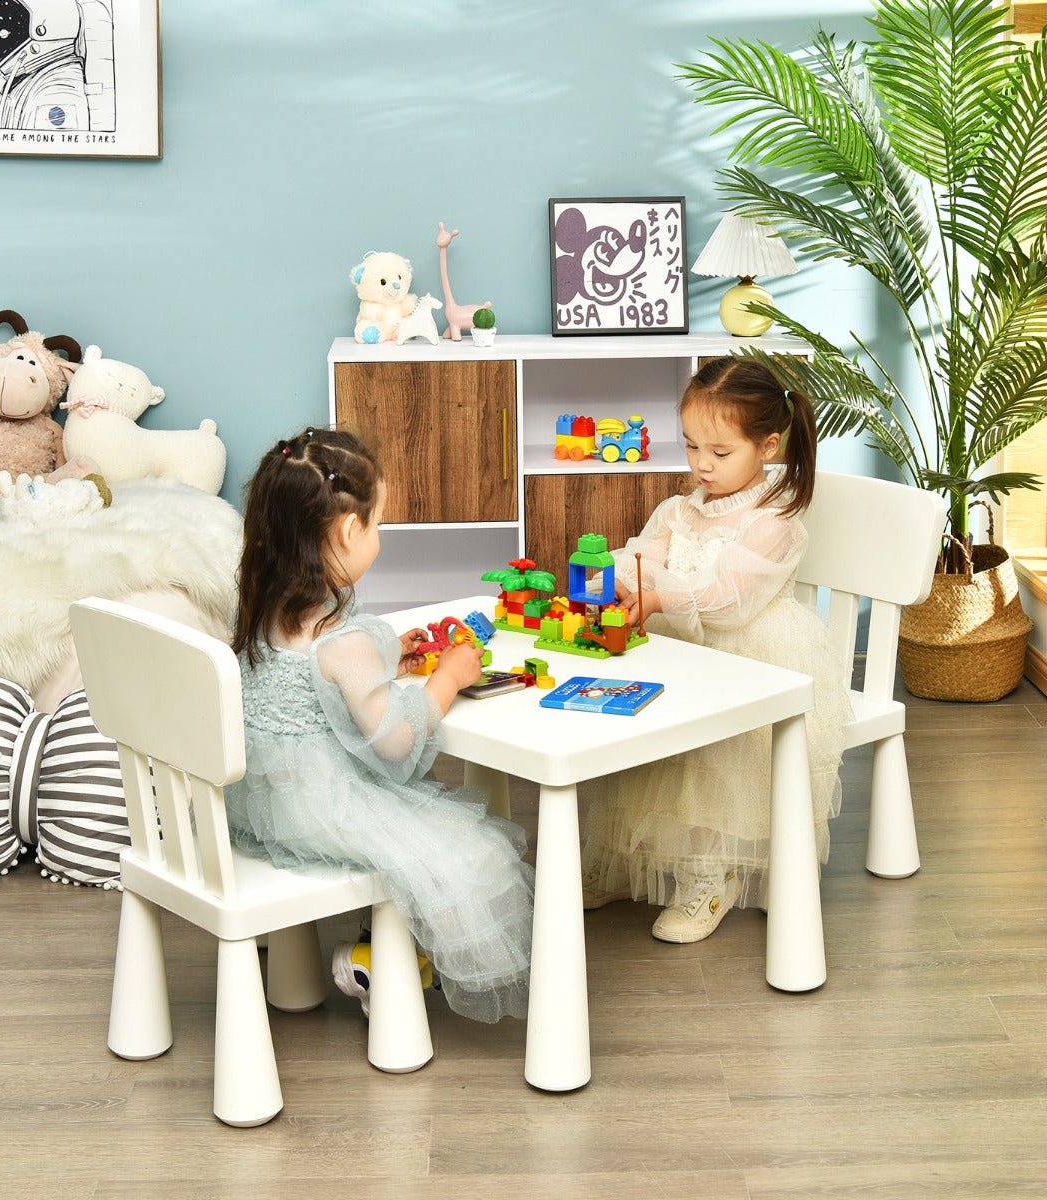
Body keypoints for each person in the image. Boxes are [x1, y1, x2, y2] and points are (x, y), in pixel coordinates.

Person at [224, 427, 533, 1022]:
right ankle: (379, 965)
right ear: (347, 531)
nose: (379, 536)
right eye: (378, 524)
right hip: (320, 808)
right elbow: (394, 741)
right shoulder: (341, 638)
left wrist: (391, 658)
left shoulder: (262, 602)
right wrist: (448, 679)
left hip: (257, 798)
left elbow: (318, 680)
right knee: (476, 856)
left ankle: (323, 973)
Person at [581, 357, 850, 942]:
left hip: (748, 660)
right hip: (684, 652)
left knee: (712, 768)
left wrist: (658, 595)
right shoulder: (680, 511)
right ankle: (626, 860)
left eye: (720, 452)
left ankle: (711, 875)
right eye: (691, 445)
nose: (701, 463)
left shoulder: (775, 521)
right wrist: (617, 578)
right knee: (644, 752)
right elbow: (642, 555)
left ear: (768, 446)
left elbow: (729, 599)